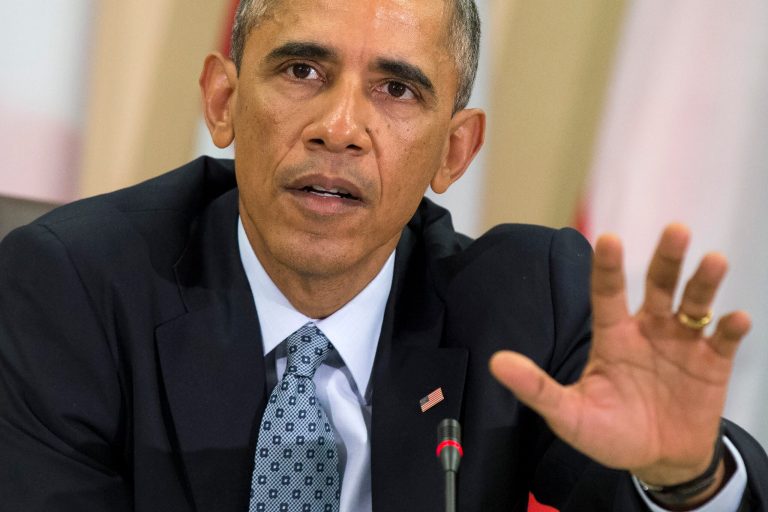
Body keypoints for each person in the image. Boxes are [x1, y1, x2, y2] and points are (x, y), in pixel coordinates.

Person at [0, 0, 766, 510]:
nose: (340, 126)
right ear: (223, 101)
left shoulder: (526, 303)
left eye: (397, 90)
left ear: (456, 149)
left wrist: (688, 480)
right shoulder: (71, 287)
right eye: (303, 71)